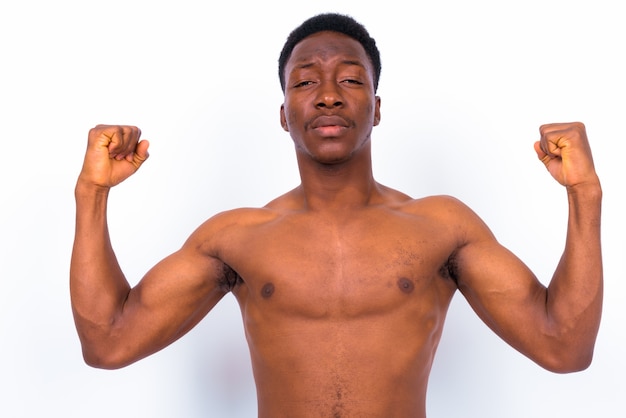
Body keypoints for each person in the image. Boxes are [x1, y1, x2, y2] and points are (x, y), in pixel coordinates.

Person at [70, 13, 603, 418]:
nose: (327, 96)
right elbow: (108, 342)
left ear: (375, 107)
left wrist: (585, 194)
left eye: (350, 80)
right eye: (305, 82)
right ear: (285, 114)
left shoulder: (442, 227)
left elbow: (564, 347)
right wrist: (92, 192)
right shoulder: (235, 237)